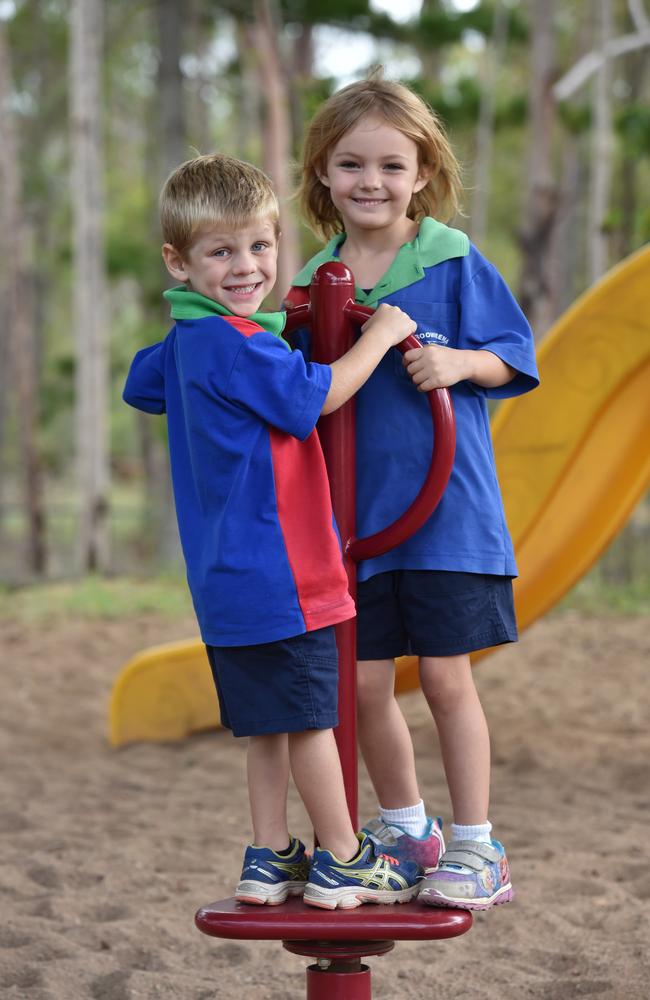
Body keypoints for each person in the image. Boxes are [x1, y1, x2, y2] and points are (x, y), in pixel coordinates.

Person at [122, 153, 422, 911]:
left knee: (268, 726)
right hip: (286, 574)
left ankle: (268, 855)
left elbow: (140, 381)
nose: (247, 266)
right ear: (178, 261)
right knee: (314, 721)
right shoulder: (243, 346)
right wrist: (380, 334)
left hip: (224, 583)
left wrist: (236, 321)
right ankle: (346, 858)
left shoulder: (191, 342)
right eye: (221, 252)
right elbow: (317, 400)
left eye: (260, 246)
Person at [286, 72, 539, 911]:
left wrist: (461, 363)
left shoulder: (453, 260)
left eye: (392, 166)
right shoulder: (313, 282)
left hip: (447, 516)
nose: (371, 182)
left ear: (423, 172)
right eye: (351, 163)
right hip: (355, 525)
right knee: (360, 685)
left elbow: (513, 355)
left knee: (442, 675)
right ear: (323, 171)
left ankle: (477, 848)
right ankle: (408, 831)